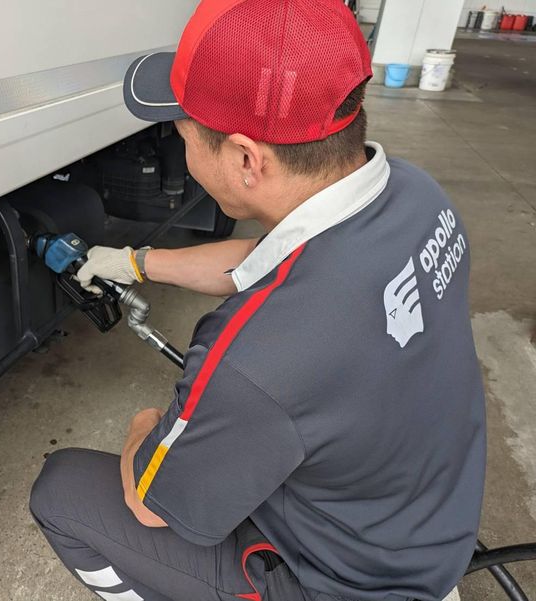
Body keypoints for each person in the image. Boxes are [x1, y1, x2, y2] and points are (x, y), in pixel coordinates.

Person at [29, 1, 486, 600]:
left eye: (183, 135)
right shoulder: (417, 195)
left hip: (354, 583)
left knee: (61, 491)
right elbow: (266, 259)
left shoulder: (255, 361)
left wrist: (145, 425)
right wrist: (134, 262)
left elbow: (148, 503)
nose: (184, 151)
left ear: (247, 159)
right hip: (425, 516)